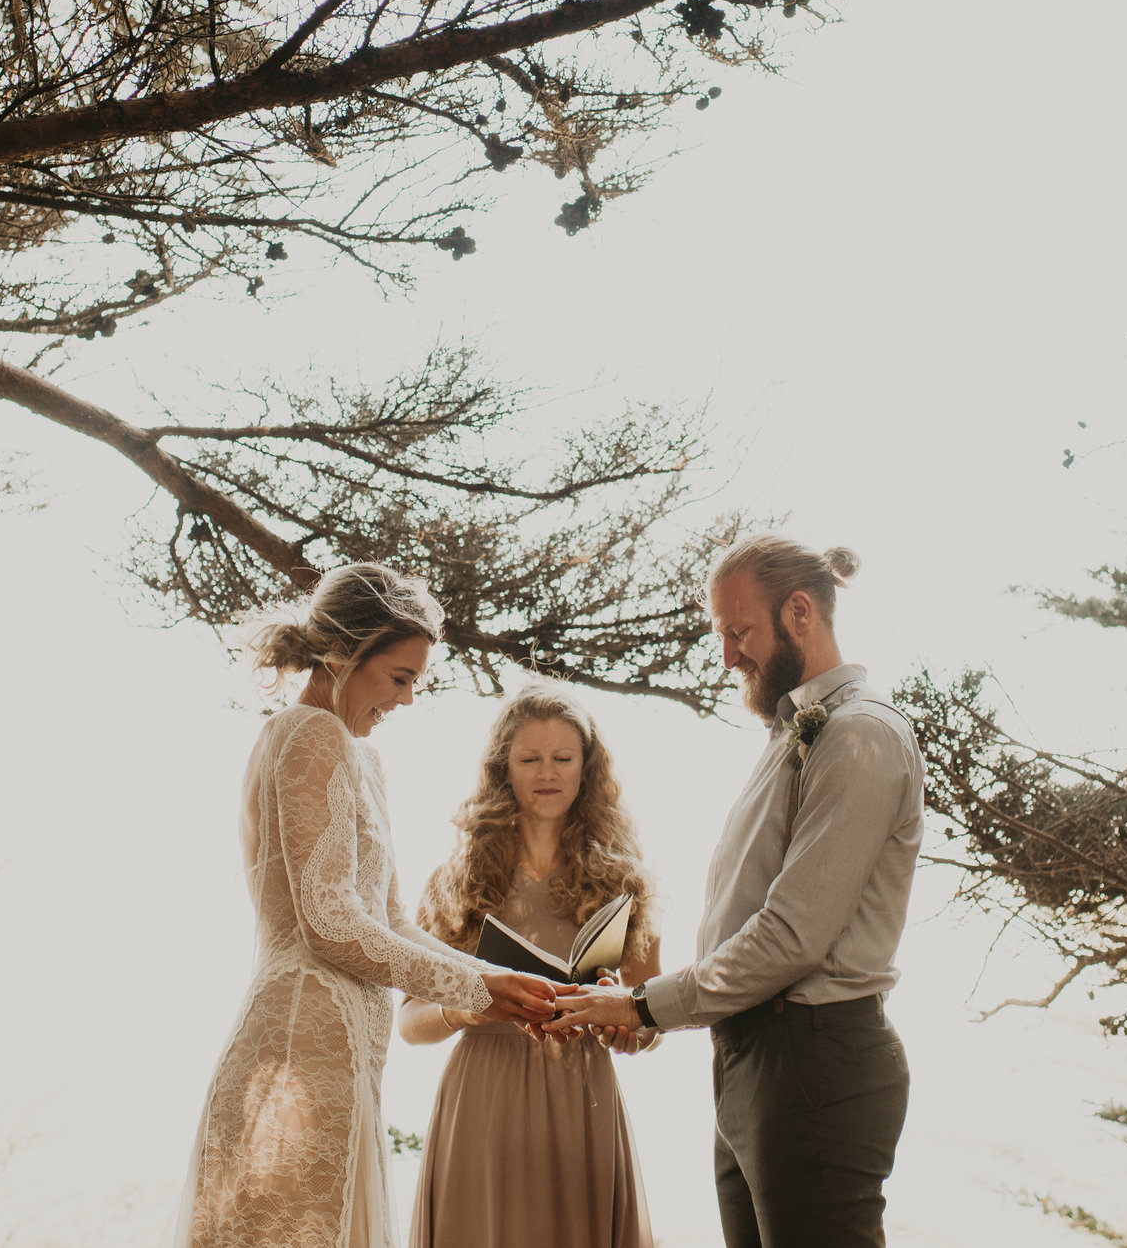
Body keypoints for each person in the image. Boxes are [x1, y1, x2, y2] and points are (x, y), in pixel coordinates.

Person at [169, 564, 562, 1248]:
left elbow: (392, 922)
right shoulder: (307, 733)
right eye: (399, 678)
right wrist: (478, 985)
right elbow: (329, 922)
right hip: (299, 1044)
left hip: (348, 1056)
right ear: (343, 654)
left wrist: (506, 981)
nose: (406, 700)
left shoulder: (361, 758)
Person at [546, 535, 921, 1248]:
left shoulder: (859, 735)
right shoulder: (794, 733)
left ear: (800, 612)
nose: (727, 655)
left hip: (813, 1061)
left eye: (738, 630)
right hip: (757, 1055)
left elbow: (792, 933)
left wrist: (644, 1005)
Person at [398, 689, 662, 1248]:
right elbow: (408, 1022)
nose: (547, 773)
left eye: (563, 759)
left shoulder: (626, 884)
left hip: (581, 1101)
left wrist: (629, 1024)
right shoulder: (456, 882)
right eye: (529, 759)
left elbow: (653, 1017)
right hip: (482, 1103)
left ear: (587, 770)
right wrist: (465, 1008)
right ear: (503, 770)